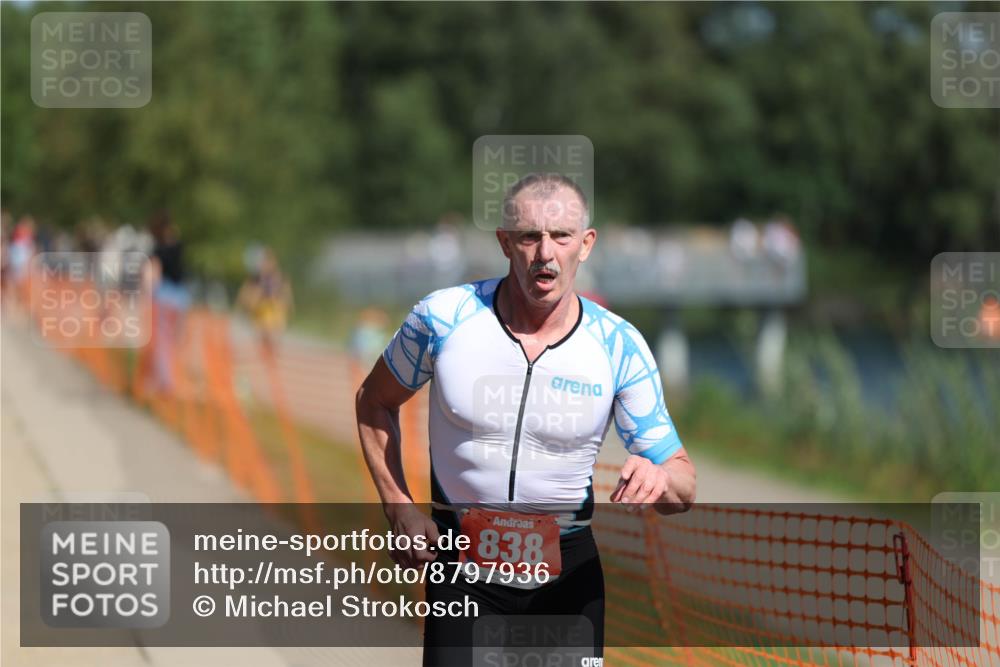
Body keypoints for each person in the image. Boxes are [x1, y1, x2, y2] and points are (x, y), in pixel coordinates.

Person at [355, 173, 696, 666]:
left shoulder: (619, 346)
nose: (546, 253)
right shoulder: (443, 318)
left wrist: (660, 476)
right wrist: (398, 507)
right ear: (505, 243)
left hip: (567, 581)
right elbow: (373, 400)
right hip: (462, 573)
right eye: (530, 237)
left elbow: (685, 485)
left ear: (586, 244)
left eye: (561, 236)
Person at [237, 246, 293, 359]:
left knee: (273, 340)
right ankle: (266, 360)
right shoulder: (255, 279)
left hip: (275, 312)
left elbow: (287, 295)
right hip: (260, 313)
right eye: (264, 262)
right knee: (263, 340)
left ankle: (271, 360)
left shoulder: (280, 278)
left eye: (269, 261)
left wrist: (287, 304)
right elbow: (244, 296)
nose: (266, 265)